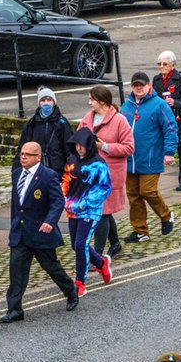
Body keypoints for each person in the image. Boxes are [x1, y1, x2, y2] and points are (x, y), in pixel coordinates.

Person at [0, 141, 78, 322]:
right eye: (22, 153)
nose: (23, 157)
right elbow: (17, 205)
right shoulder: (17, 174)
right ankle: (15, 309)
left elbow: (58, 202)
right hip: (20, 233)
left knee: (51, 267)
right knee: (16, 271)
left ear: (38, 157)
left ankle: (70, 290)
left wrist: (50, 222)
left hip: (41, 232)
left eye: (28, 154)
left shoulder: (48, 176)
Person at [121, 72, 177, 244]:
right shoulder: (127, 105)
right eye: (135, 85)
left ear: (149, 86)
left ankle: (166, 215)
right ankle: (140, 230)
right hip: (130, 159)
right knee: (133, 195)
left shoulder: (159, 105)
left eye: (142, 85)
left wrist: (169, 152)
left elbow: (170, 128)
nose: (139, 88)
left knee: (147, 191)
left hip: (151, 158)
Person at [79, 86, 133, 257]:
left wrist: (105, 147)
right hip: (91, 174)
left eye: (91, 100)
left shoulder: (119, 120)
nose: (89, 103)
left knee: (101, 213)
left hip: (109, 175)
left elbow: (129, 147)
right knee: (104, 211)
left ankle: (98, 255)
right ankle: (115, 244)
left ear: (102, 101)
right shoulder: (88, 119)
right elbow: (77, 139)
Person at [62, 128, 113, 298]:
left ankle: (80, 282)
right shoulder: (71, 160)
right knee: (75, 245)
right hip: (72, 209)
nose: (79, 148)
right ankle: (101, 263)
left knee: (81, 244)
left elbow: (105, 187)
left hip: (90, 210)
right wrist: (65, 200)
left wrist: (85, 203)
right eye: (76, 145)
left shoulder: (99, 164)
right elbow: (65, 181)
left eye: (82, 145)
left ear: (90, 145)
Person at [155, 51, 181, 191]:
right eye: (159, 64)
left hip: (180, 120)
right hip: (163, 120)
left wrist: (175, 102)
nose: (162, 67)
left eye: (165, 64)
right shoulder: (156, 80)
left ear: (173, 65)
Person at [18, 86, 74, 171]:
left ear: (54, 102)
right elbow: (23, 146)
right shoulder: (32, 123)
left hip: (57, 167)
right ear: (39, 103)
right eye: (43, 100)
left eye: (49, 100)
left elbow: (69, 148)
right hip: (36, 166)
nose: (46, 103)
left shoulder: (62, 123)